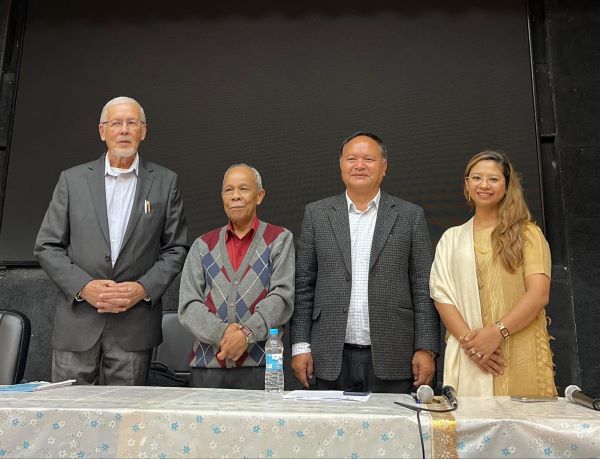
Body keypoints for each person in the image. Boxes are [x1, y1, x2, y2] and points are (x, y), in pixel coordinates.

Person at [34, 96, 189, 385]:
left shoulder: (166, 183)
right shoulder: (72, 180)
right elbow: (47, 246)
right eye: (115, 123)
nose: (124, 130)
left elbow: (176, 249)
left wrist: (142, 288)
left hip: (134, 324)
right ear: (102, 131)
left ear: (144, 131)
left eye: (132, 123)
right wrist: (84, 287)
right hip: (77, 321)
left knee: (125, 424)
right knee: (68, 417)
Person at [290, 132, 439, 393]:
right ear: (341, 166)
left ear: (384, 167)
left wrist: (426, 348)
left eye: (369, 159)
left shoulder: (410, 216)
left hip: (394, 354)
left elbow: (423, 286)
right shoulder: (317, 214)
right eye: (352, 159)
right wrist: (300, 346)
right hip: (329, 355)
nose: (359, 165)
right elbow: (304, 284)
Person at [430, 150, 557, 397]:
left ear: (507, 185)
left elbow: (539, 294)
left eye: (494, 179)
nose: (484, 185)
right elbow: (442, 296)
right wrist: (475, 346)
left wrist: (497, 332)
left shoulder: (528, 234)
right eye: (476, 178)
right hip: (470, 354)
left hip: (519, 352)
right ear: (467, 184)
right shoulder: (452, 238)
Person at [178, 164, 294, 389]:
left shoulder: (279, 239)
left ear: (259, 196)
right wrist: (223, 333)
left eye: (243, 189)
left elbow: (282, 297)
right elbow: (188, 305)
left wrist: (246, 334)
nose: (235, 196)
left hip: (262, 367)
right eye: (228, 190)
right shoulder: (203, 245)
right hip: (208, 366)